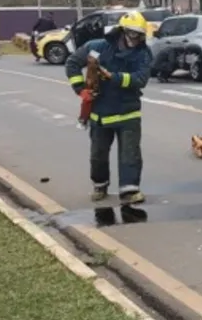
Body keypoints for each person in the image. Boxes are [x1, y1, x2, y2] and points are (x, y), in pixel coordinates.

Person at [65, 11, 153, 205]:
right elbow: (72, 63)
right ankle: (100, 185)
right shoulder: (97, 48)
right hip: (100, 115)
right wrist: (81, 89)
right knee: (98, 155)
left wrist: (114, 77)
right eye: (131, 34)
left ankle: (130, 191)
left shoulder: (143, 54)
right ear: (121, 31)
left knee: (130, 154)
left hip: (128, 113)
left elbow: (140, 79)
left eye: (139, 35)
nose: (135, 39)